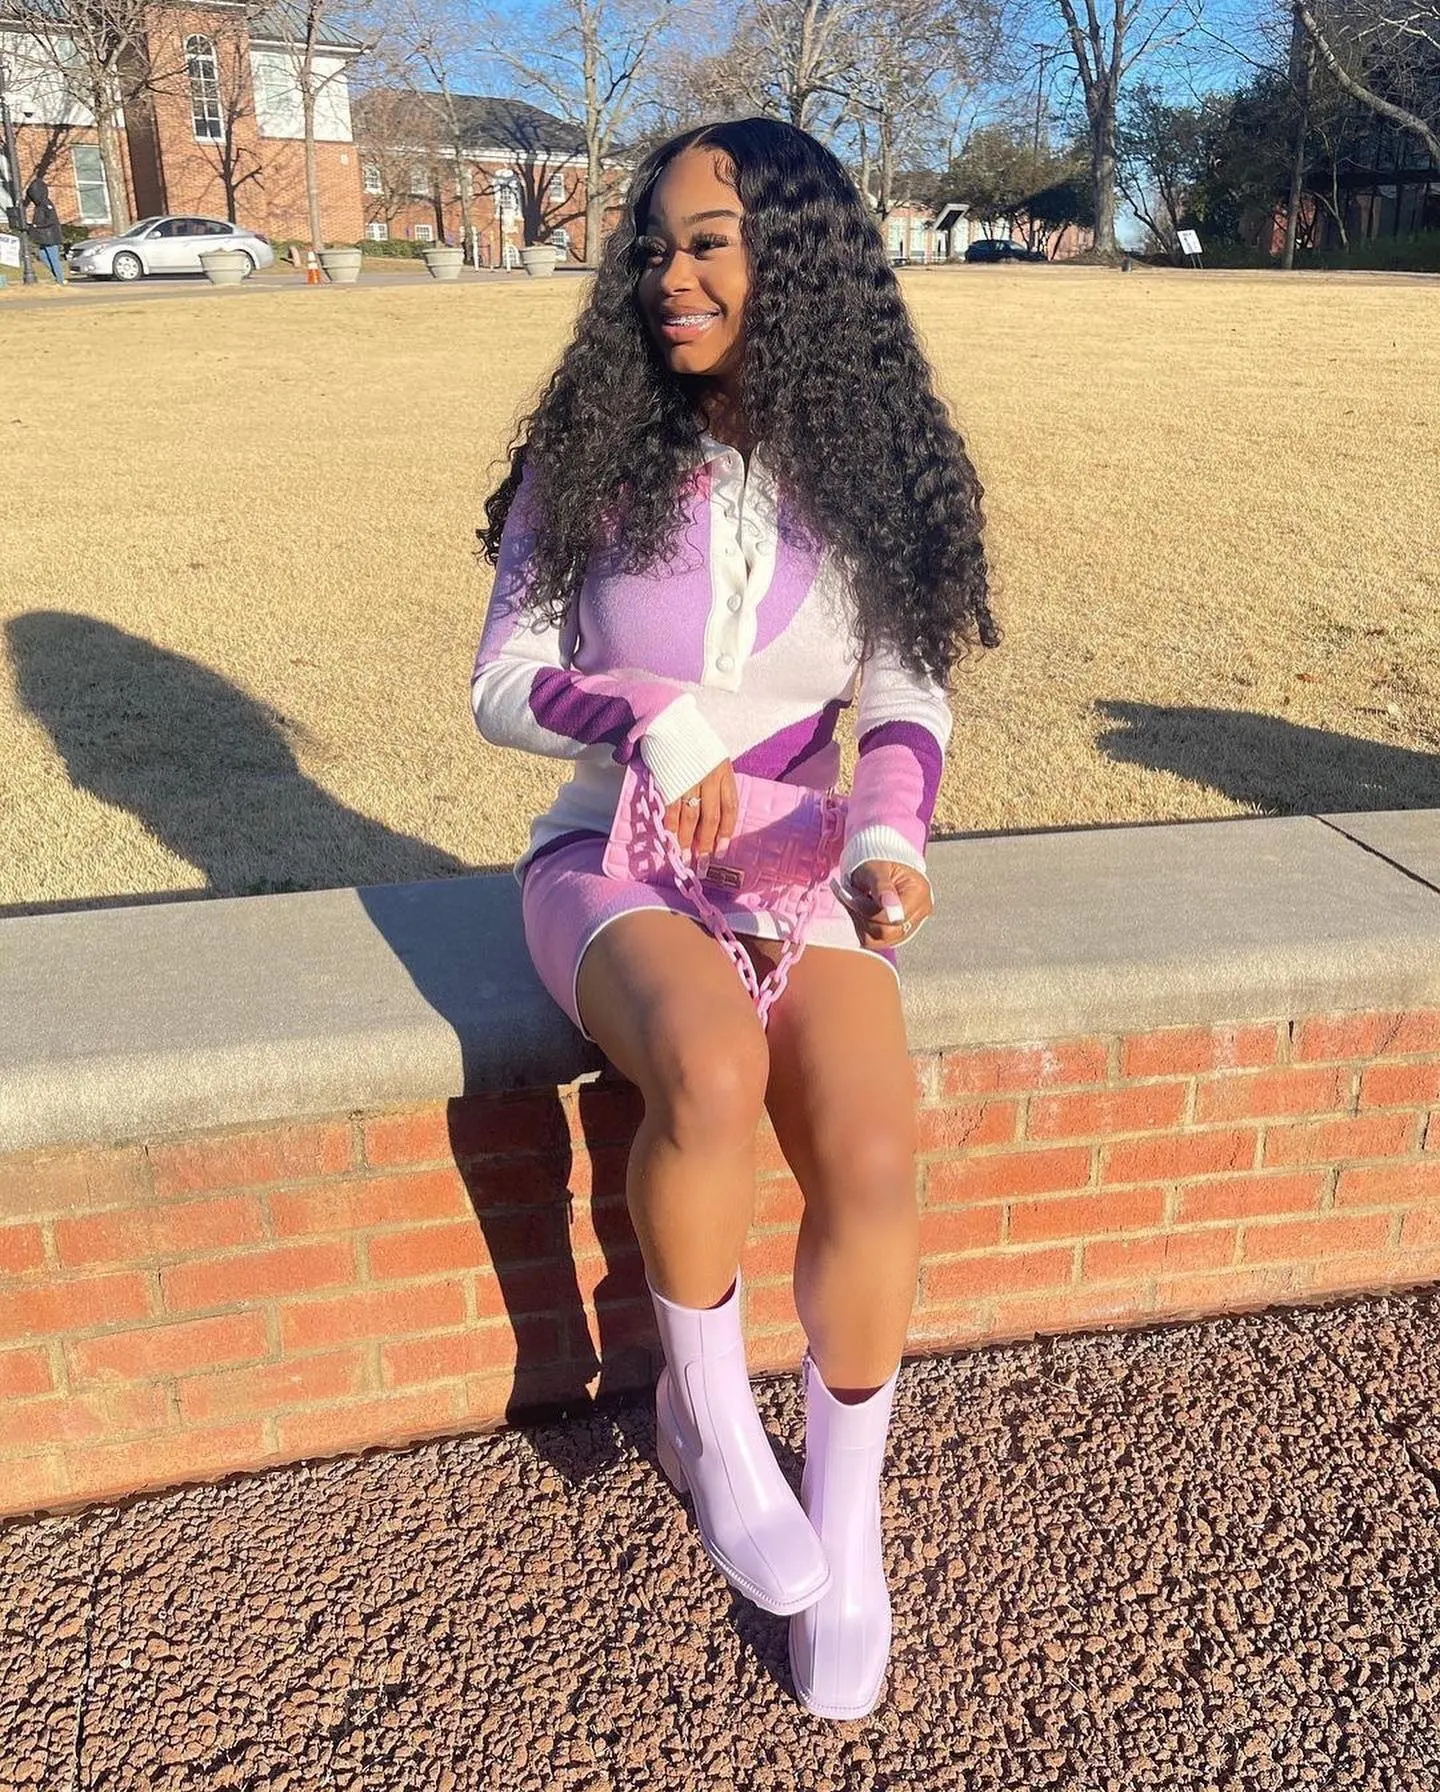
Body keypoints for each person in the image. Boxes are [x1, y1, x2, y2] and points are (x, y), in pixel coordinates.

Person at [471, 117, 998, 1719]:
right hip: (606, 861)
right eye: (656, 243)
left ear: (800, 262)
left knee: (874, 1148)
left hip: (793, 872)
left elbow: (904, 692)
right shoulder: (593, 451)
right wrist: (649, 713)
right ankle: (706, 1421)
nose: (671, 273)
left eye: (709, 242)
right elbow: (502, 681)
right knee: (707, 1066)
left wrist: (890, 841)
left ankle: (849, 1517)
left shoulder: (874, 469)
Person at [25, 179, 65, 284]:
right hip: (43, 236)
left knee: (53, 258)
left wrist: (37, 226)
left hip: (50, 236)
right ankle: (56, 276)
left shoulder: (46, 203)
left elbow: (51, 219)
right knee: (43, 256)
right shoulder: (39, 206)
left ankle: (60, 280)